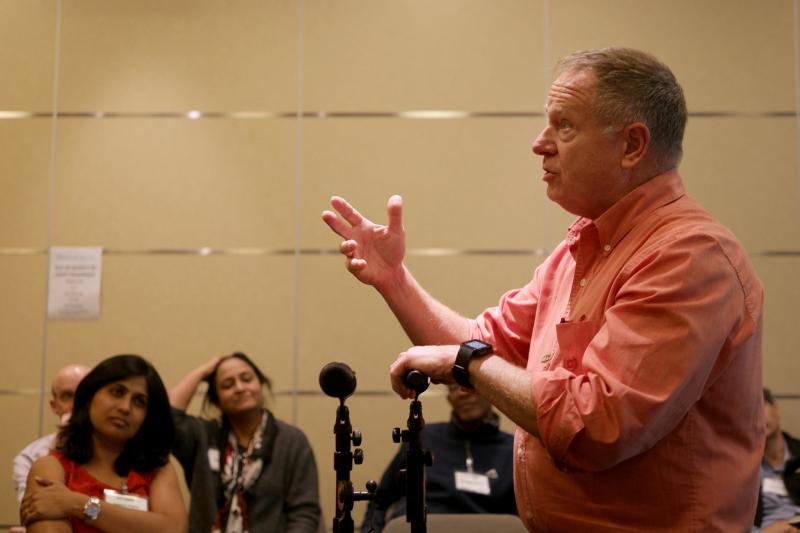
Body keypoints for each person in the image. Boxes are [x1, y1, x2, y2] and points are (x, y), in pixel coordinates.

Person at [322, 47, 764, 532]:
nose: (540, 143)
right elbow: (477, 341)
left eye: (564, 125)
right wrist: (394, 280)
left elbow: (597, 425)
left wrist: (466, 363)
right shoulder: (582, 246)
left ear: (632, 146)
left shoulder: (689, 256)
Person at [19, 354, 187, 533]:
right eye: (117, 392)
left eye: (139, 402)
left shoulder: (157, 469)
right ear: (90, 396)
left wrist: (77, 503)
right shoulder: (52, 468)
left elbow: (173, 528)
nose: (125, 407)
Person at [169, 352, 321, 533]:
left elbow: (304, 514)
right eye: (227, 384)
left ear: (261, 384)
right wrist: (204, 371)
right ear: (216, 401)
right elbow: (166, 418)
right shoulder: (203, 436)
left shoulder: (292, 441)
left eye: (247, 378)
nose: (240, 388)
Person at [362, 384, 516, 533]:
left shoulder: (514, 450)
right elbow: (379, 501)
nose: (462, 393)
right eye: (454, 388)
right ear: (449, 398)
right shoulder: (421, 438)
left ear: (491, 393)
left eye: (469, 386)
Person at [13, 365, 91, 504]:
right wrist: (62, 446)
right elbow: (34, 510)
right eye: (67, 396)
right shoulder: (29, 457)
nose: (77, 404)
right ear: (54, 406)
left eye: (84, 394)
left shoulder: (119, 448)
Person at [755, 388, 800, 532]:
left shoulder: (798, 452)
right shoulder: (744, 468)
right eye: (749, 413)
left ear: (776, 408)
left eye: (759, 407)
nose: (757, 417)